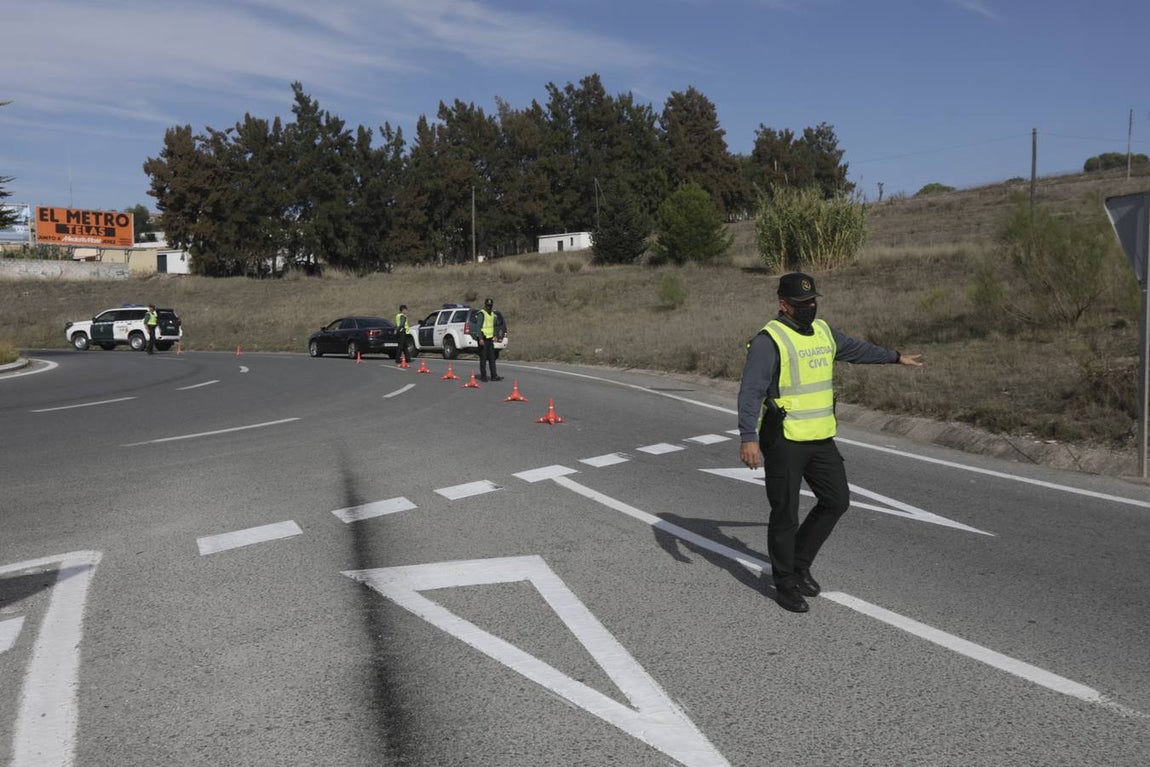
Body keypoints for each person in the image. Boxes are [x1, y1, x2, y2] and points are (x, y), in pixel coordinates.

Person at [737, 272, 924, 613]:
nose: (810, 307)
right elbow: (750, 391)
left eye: (813, 301)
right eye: (802, 304)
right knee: (785, 514)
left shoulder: (823, 332)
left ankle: (799, 563)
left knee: (836, 501)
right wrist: (748, 437)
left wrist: (895, 357)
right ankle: (785, 583)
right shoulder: (769, 340)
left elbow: (856, 349)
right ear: (784, 305)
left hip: (820, 437)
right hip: (784, 438)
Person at [470, 297, 507, 382]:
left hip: (490, 339)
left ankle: (494, 376)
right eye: (487, 305)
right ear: (485, 305)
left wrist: (494, 335)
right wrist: (480, 339)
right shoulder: (481, 314)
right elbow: (478, 327)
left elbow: (492, 326)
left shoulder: (493, 315)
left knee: (492, 358)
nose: (489, 307)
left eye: (490, 305)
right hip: (483, 339)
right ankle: (483, 376)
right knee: (483, 358)